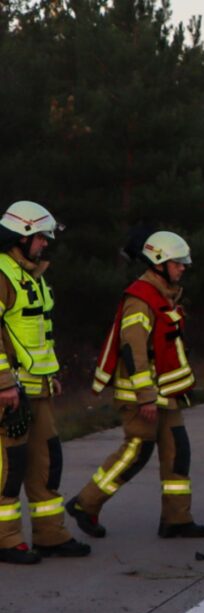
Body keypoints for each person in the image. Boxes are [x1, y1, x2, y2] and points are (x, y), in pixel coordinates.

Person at [69, 230, 204, 540]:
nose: (183, 267)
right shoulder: (141, 298)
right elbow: (133, 350)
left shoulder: (164, 295)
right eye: (177, 263)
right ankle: (85, 504)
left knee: (177, 451)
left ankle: (177, 519)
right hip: (142, 395)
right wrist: (145, 397)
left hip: (165, 394)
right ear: (159, 263)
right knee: (136, 452)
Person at [0, 201, 89, 563]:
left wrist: (51, 377)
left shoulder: (31, 274)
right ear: (21, 236)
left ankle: (50, 534)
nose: (45, 243)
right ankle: (5, 539)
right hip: (11, 391)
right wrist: (4, 383)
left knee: (47, 460)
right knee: (10, 465)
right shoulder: (2, 274)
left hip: (38, 388)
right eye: (40, 237)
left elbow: (35, 334)